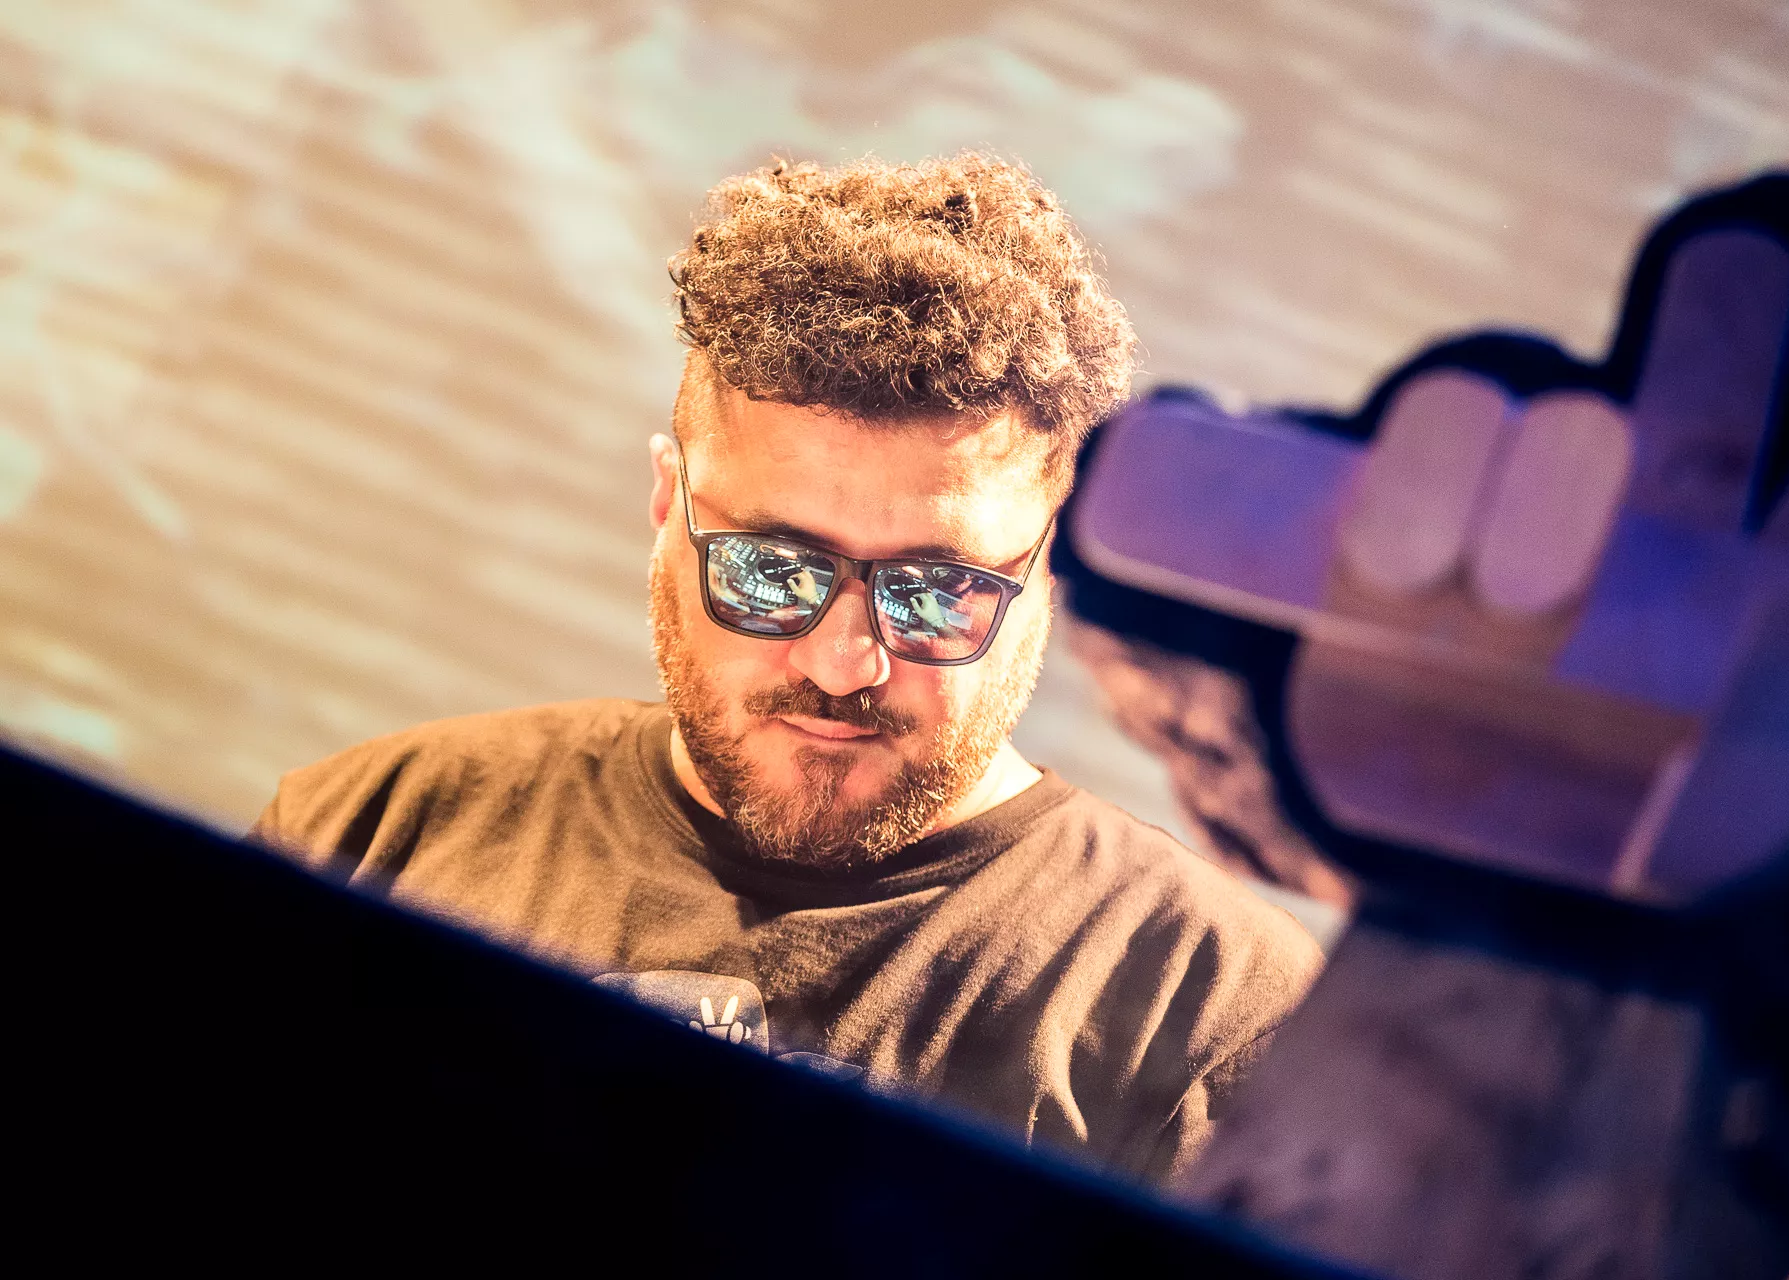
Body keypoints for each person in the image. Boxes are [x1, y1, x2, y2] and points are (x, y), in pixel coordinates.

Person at [252, 153, 1322, 1183]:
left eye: (935, 590)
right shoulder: (378, 830)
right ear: (667, 503)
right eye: (770, 570)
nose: (843, 662)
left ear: (1053, 563)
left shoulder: (1223, 1022)